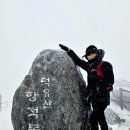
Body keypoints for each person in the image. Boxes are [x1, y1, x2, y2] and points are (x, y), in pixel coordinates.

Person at [59, 44, 114, 130]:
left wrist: (96, 77)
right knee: (101, 118)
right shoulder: (89, 66)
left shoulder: (105, 65)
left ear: (97, 53)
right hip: (94, 98)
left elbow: (110, 81)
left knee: (94, 119)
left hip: (102, 98)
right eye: (88, 54)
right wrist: (69, 50)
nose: (91, 55)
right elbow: (78, 61)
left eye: (93, 53)